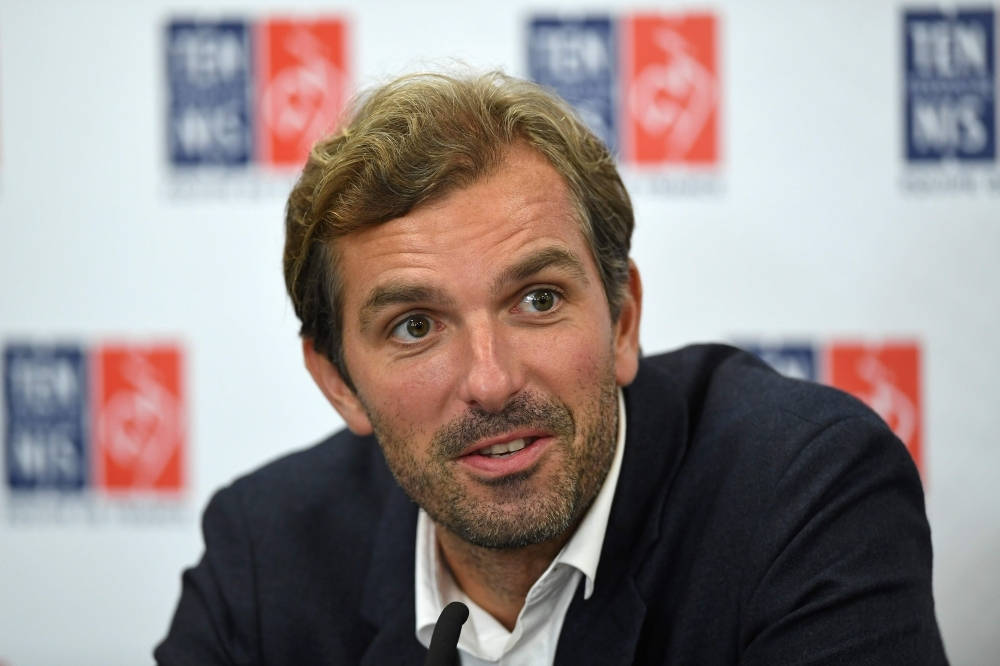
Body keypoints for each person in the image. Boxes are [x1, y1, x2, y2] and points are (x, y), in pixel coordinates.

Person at [155, 71, 948, 665]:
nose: (492, 381)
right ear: (337, 382)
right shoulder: (265, 553)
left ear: (622, 320)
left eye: (537, 300)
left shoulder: (801, 492)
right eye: (416, 326)